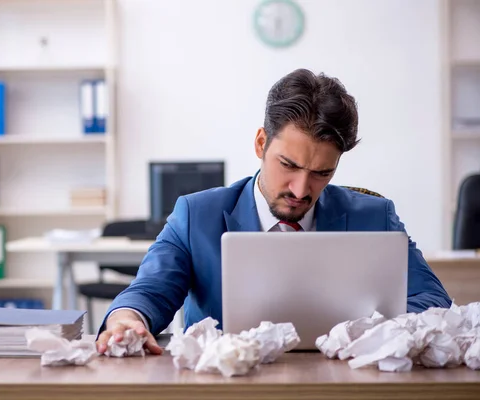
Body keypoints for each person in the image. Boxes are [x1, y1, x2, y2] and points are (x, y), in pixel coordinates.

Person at [95, 68, 452, 355]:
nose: (300, 190)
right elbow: (150, 290)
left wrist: (370, 332)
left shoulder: (375, 217)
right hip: (228, 388)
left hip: (343, 384)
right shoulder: (196, 214)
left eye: (321, 173)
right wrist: (128, 317)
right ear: (261, 143)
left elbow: (433, 299)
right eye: (288, 165)